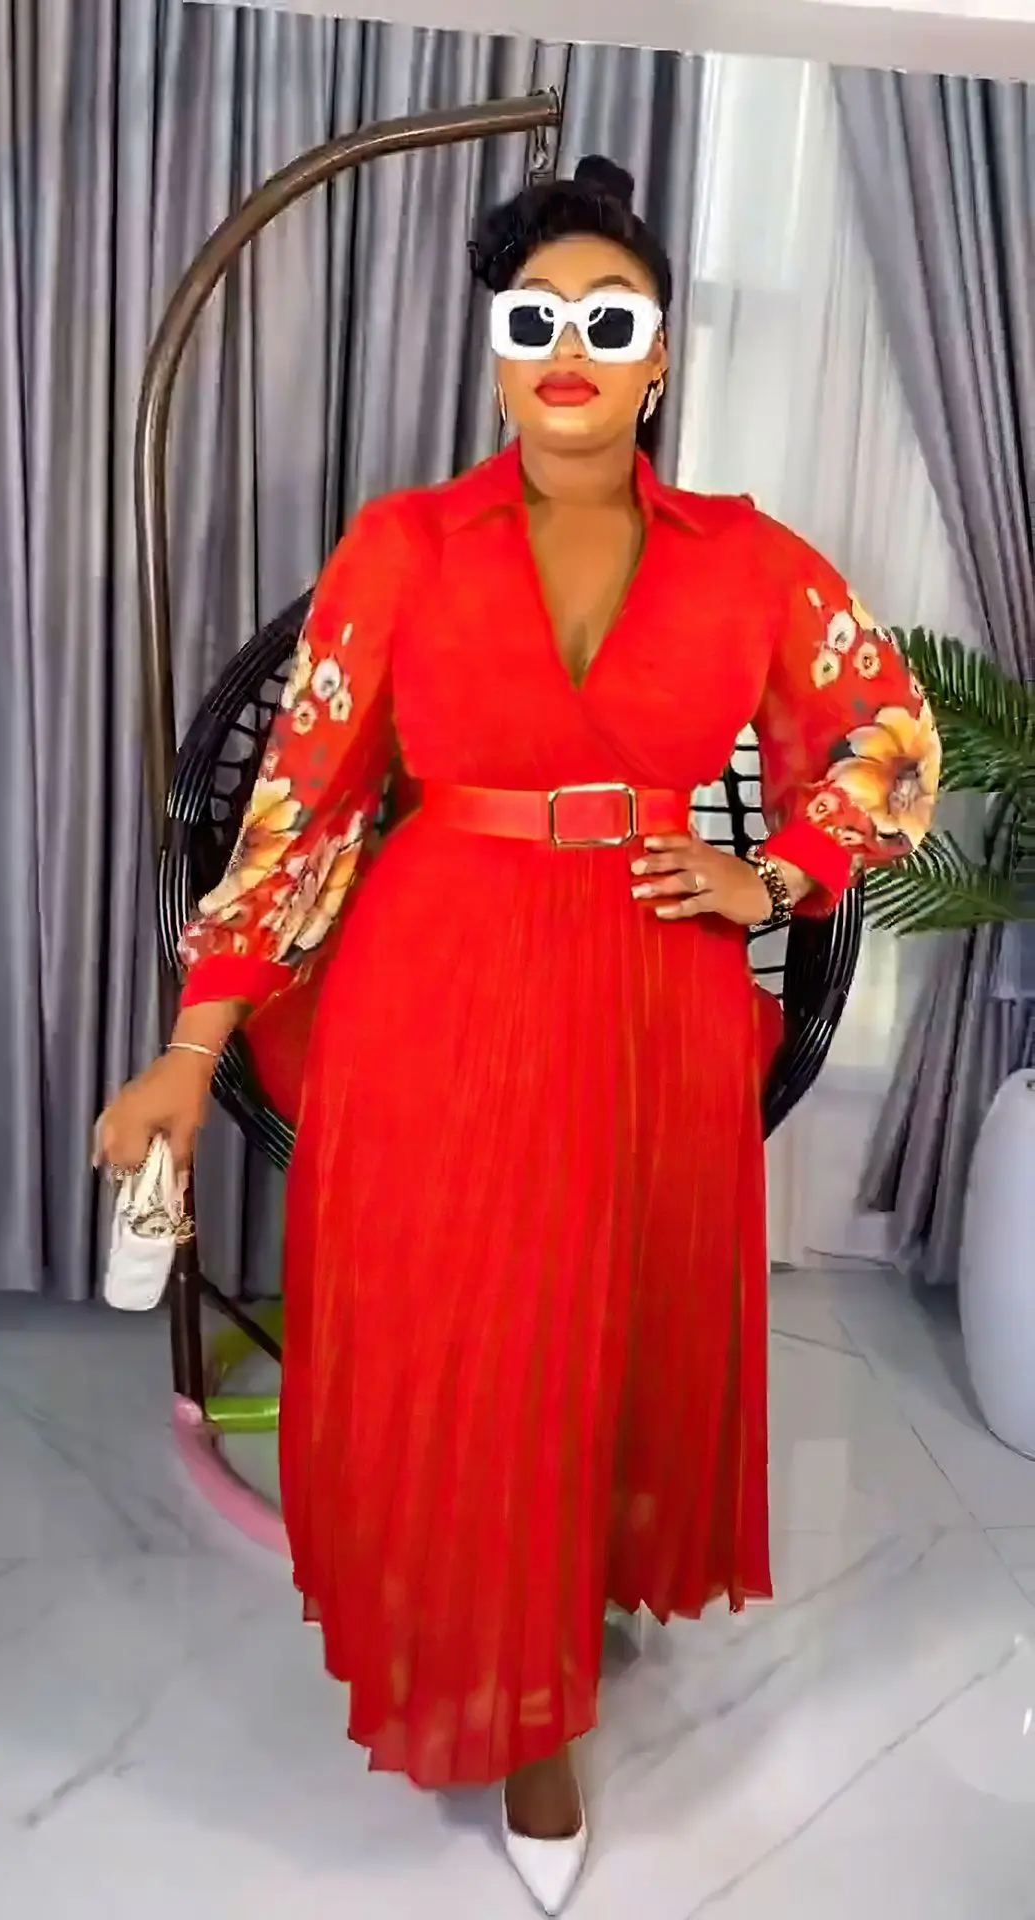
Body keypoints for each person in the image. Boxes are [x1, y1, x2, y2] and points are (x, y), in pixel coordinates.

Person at [98, 155, 940, 1912]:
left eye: (608, 324)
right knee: (473, 1337)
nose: (569, 351)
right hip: (439, 985)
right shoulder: (402, 546)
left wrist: (776, 872)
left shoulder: (754, 560)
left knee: (600, 1335)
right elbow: (299, 807)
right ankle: (519, 1698)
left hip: (655, 995)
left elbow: (892, 738)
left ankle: (558, 1639)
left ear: (659, 358)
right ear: (494, 351)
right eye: (535, 319)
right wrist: (191, 1044)